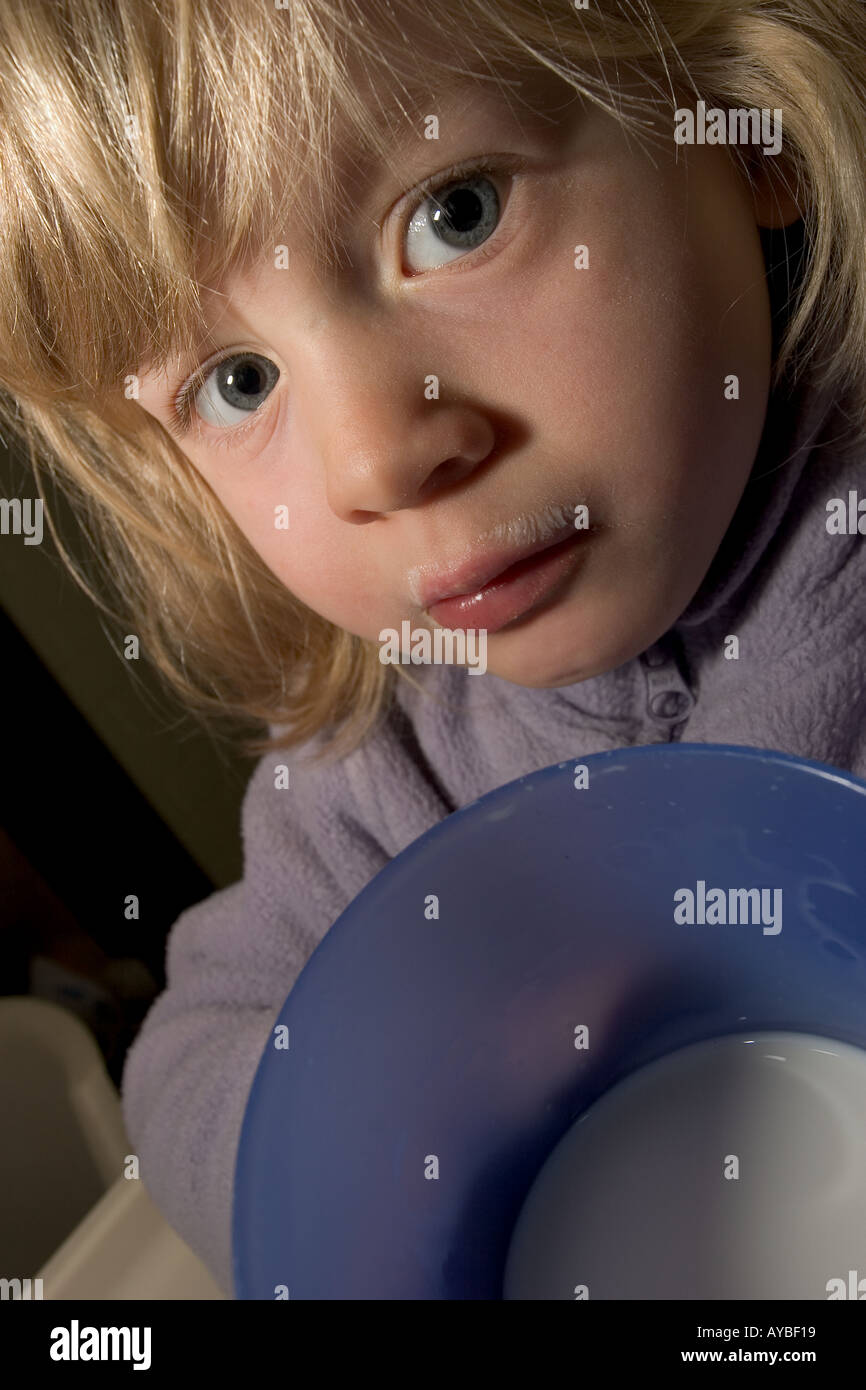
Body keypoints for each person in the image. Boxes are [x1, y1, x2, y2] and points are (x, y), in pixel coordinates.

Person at [1, 0, 865, 1297]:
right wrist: (367, 1122)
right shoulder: (373, 752)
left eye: (453, 213)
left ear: (747, 133)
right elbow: (190, 1056)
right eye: (238, 381)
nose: (376, 455)